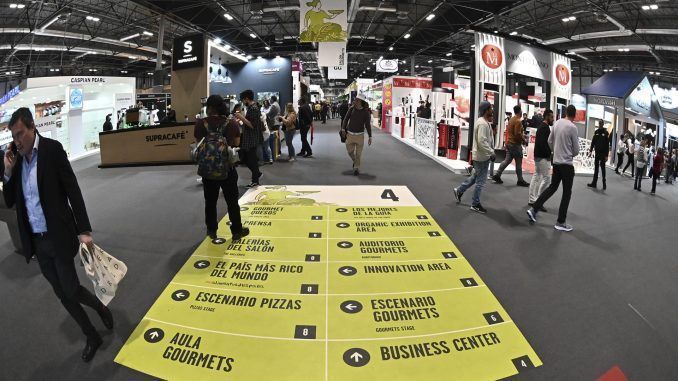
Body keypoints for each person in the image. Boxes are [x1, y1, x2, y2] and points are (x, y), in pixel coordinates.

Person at [2, 108, 113, 362]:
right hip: (37, 242)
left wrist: (84, 229)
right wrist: (7, 171)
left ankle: (99, 307)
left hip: (58, 236)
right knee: (62, 293)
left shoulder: (52, 150)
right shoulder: (17, 161)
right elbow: (9, 201)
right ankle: (91, 335)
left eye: (21, 134)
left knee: (71, 289)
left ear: (32, 128)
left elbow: (72, 189)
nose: (18, 141)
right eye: (14, 136)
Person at [197, 95, 250, 241]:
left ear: (209, 108)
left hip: (207, 170)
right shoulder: (231, 123)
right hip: (228, 168)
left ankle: (212, 230)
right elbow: (237, 143)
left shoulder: (201, 123)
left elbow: (198, 144)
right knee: (232, 201)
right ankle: (237, 231)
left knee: (210, 201)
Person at [527, 104, 580, 232]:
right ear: (574, 115)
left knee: (552, 187)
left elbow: (550, 141)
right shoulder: (573, 127)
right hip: (567, 165)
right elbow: (577, 150)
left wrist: (555, 152)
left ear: (566, 112)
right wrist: (569, 153)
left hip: (556, 163)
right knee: (567, 193)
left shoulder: (556, 124)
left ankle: (534, 209)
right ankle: (560, 222)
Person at [453, 101, 495, 214]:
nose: (492, 110)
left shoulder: (484, 122)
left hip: (481, 155)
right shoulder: (482, 123)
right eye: (490, 108)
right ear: (486, 110)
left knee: (476, 178)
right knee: (481, 181)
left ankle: (459, 190)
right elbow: (482, 141)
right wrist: (491, 152)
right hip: (482, 156)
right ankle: (475, 204)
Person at [492, 105, 529, 187]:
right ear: (520, 111)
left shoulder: (511, 119)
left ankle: (497, 175)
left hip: (509, 143)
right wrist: (524, 139)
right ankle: (520, 180)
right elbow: (517, 134)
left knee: (507, 160)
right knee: (519, 162)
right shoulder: (518, 121)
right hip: (515, 144)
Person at [234, 90, 263, 188]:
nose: (242, 102)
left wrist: (241, 117)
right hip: (249, 138)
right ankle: (257, 173)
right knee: (245, 158)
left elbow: (252, 125)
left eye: (243, 100)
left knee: (251, 160)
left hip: (252, 139)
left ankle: (255, 180)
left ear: (246, 98)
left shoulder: (253, 108)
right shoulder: (251, 108)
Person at [528, 109, 554, 210]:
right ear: (547, 116)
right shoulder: (545, 128)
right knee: (547, 179)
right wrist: (549, 154)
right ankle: (539, 201)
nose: (552, 119)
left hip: (539, 156)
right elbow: (543, 145)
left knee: (537, 176)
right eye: (551, 117)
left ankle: (532, 199)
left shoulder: (543, 127)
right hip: (542, 157)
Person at [341, 95, 373, 176]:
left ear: (360, 102)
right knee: (350, 152)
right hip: (350, 135)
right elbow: (345, 119)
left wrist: (370, 136)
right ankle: (356, 162)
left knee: (358, 154)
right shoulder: (351, 109)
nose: (354, 101)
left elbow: (368, 125)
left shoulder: (366, 112)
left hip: (360, 136)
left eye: (356, 100)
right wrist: (343, 129)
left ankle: (356, 168)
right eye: (355, 100)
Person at [587, 120, 610, 190]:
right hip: (597, 153)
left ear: (603, 124)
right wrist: (590, 151)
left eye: (601, 123)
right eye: (599, 123)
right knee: (596, 168)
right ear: (598, 124)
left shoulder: (606, 133)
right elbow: (593, 142)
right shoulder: (596, 132)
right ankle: (594, 183)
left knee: (603, 168)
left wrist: (606, 155)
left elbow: (607, 145)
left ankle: (604, 183)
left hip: (603, 154)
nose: (600, 124)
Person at [267, 96, 282, 160]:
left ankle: (275, 152)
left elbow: (269, 113)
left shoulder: (273, 105)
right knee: (277, 137)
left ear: (272, 99)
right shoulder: (277, 104)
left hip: (274, 123)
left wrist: (264, 114)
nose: (270, 100)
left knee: (274, 138)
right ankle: (278, 151)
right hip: (277, 122)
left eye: (270, 99)